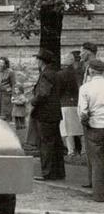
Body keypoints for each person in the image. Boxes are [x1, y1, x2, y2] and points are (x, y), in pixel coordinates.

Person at [30, 49, 66, 181]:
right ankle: (59, 172)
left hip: (45, 114)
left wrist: (33, 101)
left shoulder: (46, 74)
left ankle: (47, 172)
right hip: (54, 113)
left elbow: (43, 93)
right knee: (55, 143)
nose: (36, 61)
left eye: (37, 59)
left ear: (41, 61)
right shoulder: (55, 74)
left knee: (46, 143)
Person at [78, 56, 104, 202]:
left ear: (91, 71)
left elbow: (83, 111)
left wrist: (85, 122)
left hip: (94, 126)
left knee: (97, 161)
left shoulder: (85, 88)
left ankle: (99, 194)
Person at [61, 50, 84, 158]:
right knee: (78, 129)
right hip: (76, 102)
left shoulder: (66, 72)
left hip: (67, 103)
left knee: (69, 129)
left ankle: (72, 151)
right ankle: (80, 150)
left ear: (71, 60)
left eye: (66, 57)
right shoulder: (81, 71)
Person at [0, 57, 15, 124]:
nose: (0, 64)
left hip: (6, 95)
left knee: (6, 111)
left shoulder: (10, 72)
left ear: (6, 64)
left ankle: (8, 122)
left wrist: (13, 95)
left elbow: (13, 84)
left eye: (2, 63)